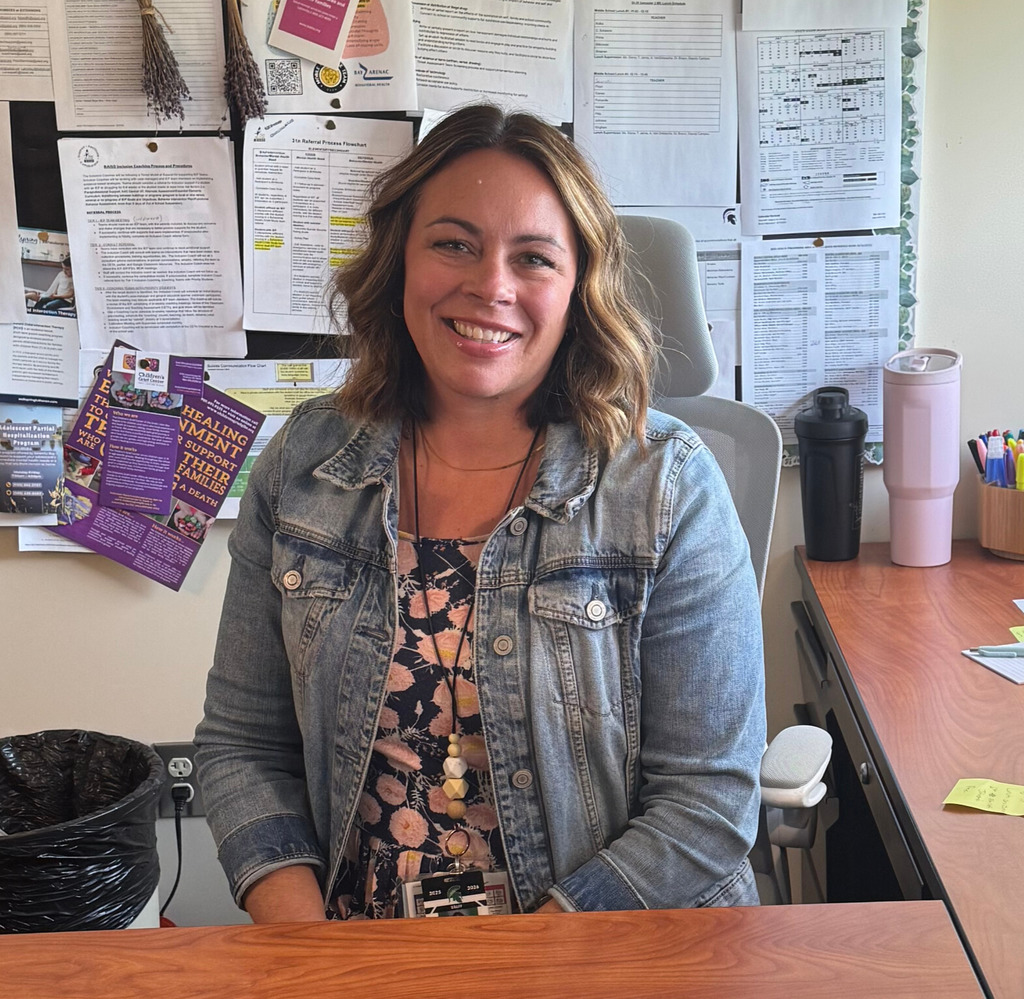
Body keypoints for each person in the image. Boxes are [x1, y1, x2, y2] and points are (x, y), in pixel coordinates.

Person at [194, 104, 766, 923]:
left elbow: (705, 808)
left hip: (594, 953)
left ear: (578, 289)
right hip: (356, 951)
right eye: (453, 243)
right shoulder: (303, 465)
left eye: (533, 257)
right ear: (400, 260)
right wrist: (307, 947)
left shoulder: (669, 488)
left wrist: (528, 965)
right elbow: (243, 744)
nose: (489, 286)